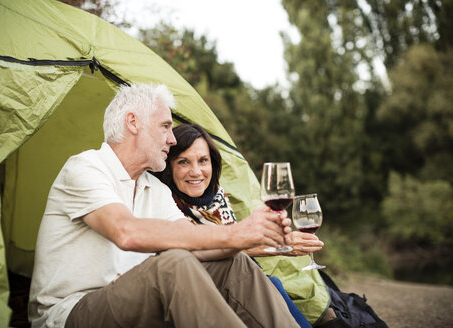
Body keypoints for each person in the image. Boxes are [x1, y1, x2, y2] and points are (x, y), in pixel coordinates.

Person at [28, 83, 301, 328]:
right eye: (165, 127)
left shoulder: (154, 188)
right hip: (72, 312)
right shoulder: (86, 167)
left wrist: (253, 235)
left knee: (234, 263)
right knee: (173, 263)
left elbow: (193, 240)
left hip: (134, 301)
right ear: (133, 122)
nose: (172, 140)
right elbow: (126, 232)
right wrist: (236, 233)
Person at [154, 123, 335, 327]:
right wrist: (278, 246)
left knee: (270, 283)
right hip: (194, 288)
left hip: (235, 280)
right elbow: (203, 248)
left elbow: (230, 250)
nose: (196, 171)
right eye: (183, 162)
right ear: (169, 166)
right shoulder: (164, 201)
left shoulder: (217, 197)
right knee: (268, 283)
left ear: (213, 163)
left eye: (203, 160)